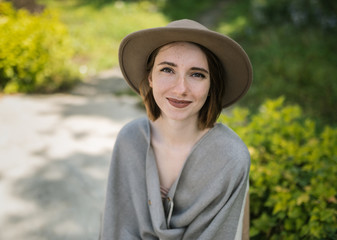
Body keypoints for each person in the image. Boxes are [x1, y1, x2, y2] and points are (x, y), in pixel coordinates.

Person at [100, 19, 253, 240]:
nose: (181, 89)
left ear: (212, 85)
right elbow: (115, 227)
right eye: (167, 70)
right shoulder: (130, 140)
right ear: (151, 77)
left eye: (197, 74)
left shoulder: (230, 158)